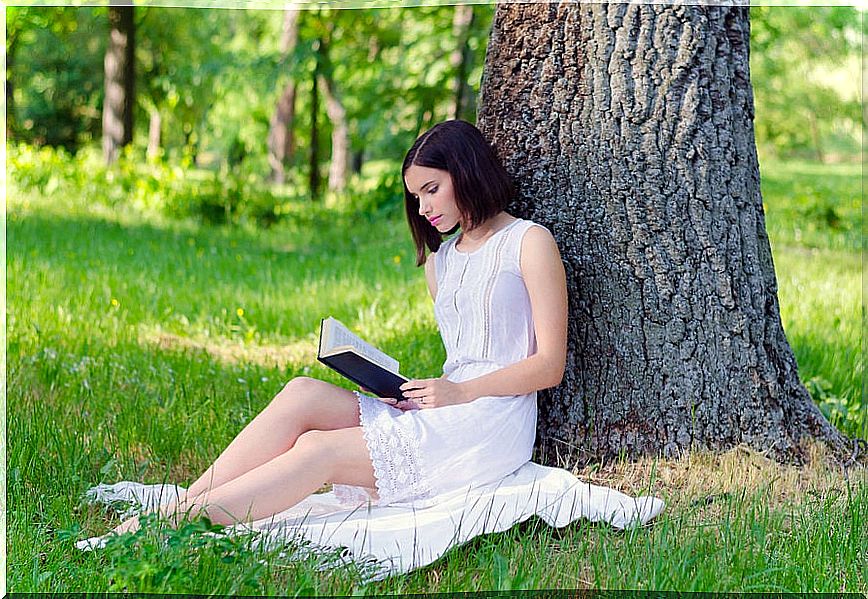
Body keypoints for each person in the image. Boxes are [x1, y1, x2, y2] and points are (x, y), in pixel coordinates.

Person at [106, 119, 568, 536]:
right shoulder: (441, 263)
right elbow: (463, 357)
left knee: (317, 450)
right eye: (415, 196)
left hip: (488, 425)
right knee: (302, 392)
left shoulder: (527, 242)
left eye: (432, 188)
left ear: (466, 172)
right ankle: (189, 503)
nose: (423, 207)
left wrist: (459, 393)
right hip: (442, 406)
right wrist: (411, 391)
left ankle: (168, 528)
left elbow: (548, 366)